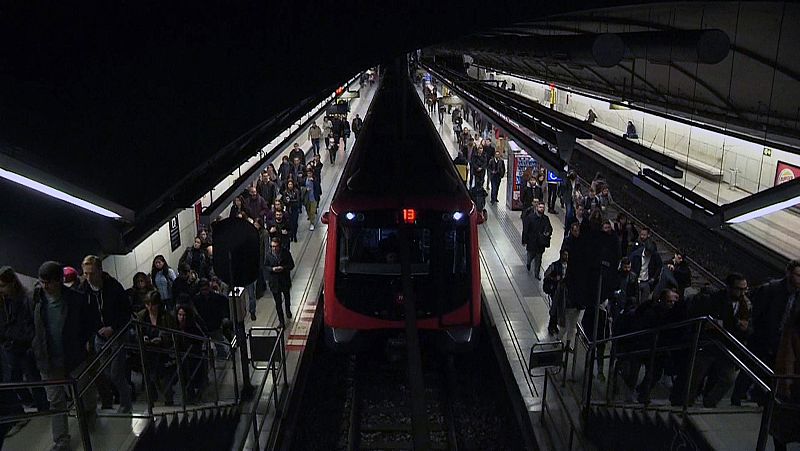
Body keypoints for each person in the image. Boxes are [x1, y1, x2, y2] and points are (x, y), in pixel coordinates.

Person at [31, 261, 95, 451]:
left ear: (59, 280)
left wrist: (82, 343)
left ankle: (89, 412)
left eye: (48, 282)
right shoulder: (36, 299)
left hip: (73, 356)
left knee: (81, 391)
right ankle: (61, 440)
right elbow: (33, 325)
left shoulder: (76, 299)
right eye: (42, 282)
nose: (45, 286)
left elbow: (87, 324)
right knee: (56, 400)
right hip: (48, 360)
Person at [733, 259, 800, 406]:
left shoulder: (797, 296)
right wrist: (752, 333)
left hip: (780, 343)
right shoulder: (771, 289)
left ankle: (760, 400)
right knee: (750, 369)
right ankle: (736, 399)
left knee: (769, 374)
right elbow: (755, 313)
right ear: (788, 273)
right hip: (761, 338)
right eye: (798, 275)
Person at [681, 273, 751, 408]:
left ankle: (710, 402)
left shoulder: (746, 304)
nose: (742, 292)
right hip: (709, 344)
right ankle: (685, 402)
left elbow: (748, 325)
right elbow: (706, 321)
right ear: (729, 287)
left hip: (728, 347)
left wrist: (745, 328)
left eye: (744, 289)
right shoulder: (714, 299)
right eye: (739, 289)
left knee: (728, 378)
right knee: (696, 377)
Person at [80, 255, 133, 413]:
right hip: (99, 337)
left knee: (116, 373)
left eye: (92, 273)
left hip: (117, 334)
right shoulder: (85, 290)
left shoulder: (113, 286)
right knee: (107, 373)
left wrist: (113, 327)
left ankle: (126, 403)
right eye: (86, 273)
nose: (89, 277)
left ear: (100, 271)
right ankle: (123, 395)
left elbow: (126, 311)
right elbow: (85, 316)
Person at [0, 267, 49, 416]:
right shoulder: (4, 301)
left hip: (25, 346)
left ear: (12, 283)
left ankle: (42, 408)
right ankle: (27, 404)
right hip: (10, 346)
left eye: (3, 285)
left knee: (33, 378)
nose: (1, 289)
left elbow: (30, 325)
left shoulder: (26, 298)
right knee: (12, 381)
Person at [135, 291, 177, 406]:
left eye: (153, 304)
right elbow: (137, 333)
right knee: (150, 378)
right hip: (148, 353)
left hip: (163, 354)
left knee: (165, 381)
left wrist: (162, 339)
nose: (150, 308)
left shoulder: (166, 317)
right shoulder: (142, 316)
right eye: (147, 304)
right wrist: (143, 338)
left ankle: (169, 401)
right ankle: (152, 402)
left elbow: (173, 334)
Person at [191, 279, 230, 357]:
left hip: (215, 324)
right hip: (204, 325)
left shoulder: (216, 297)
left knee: (219, 344)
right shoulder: (197, 299)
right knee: (207, 346)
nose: (204, 291)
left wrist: (224, 317)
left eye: (206, 289)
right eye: (202, 290)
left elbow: (225, 305)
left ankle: (222, 356)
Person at [264, 238, 296, 325]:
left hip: (284, 280)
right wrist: (272, 269)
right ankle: (281, 321)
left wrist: (283, 268)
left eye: (275, 246)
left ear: (279, 246)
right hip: (274, 283)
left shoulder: (285, 253)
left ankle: (288, 310)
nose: (274, 248)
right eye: (272, 246)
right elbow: (265, 266)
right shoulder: (268, 255)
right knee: (278, 303)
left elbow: (291, 265)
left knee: (287, 297)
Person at [522, 202, 553, 280]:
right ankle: (528, 263)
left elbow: (550, 228)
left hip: (540, 243)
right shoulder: (530, 218)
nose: (541, 209)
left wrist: (548, 233)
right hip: (531, 242)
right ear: (536, 208)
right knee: (530, 256)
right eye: (540, 207)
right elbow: (525, 230)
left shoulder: (545, 219)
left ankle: (537, 273)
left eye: (543, 207)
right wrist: (524, 240)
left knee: (538, 259)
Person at [629, 234, 662, 304]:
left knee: (644, 302)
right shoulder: (636, 255)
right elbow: (630, 264)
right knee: (635, 300)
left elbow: (659, 266)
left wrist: (654, 277)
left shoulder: (655, 256)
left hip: (647, 282)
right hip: (637, 281)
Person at [543, 250, 569, 336]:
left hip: (564, 292)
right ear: (561, 255)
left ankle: (555, 325)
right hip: (556, 291)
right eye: (565, 255)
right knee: (555, 308)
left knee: (560, 309)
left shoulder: (569, 266)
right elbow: (546, 274)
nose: (566, 257)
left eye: (567, 255)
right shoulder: (555, 265)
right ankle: (551, 326)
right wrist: (554, 279)